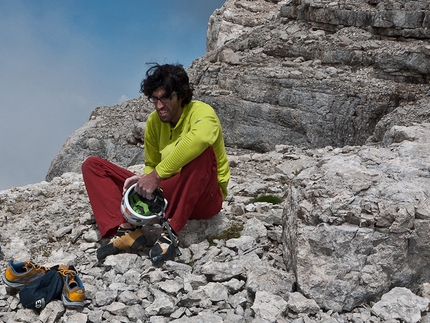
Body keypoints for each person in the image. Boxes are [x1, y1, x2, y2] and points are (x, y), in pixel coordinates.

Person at [81, 63, 230, 264]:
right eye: (155, 99)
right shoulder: (154, 122)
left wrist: (156, 176)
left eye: (166, 98)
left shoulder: (202, 113)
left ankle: (171, 232)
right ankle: (127, 231)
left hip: (205, 196)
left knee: (203, 153)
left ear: (181, 95)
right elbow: (151, 163)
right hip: (169, 193)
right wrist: (145, 181)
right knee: (93, 166)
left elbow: (201, 139)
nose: (160, 105)